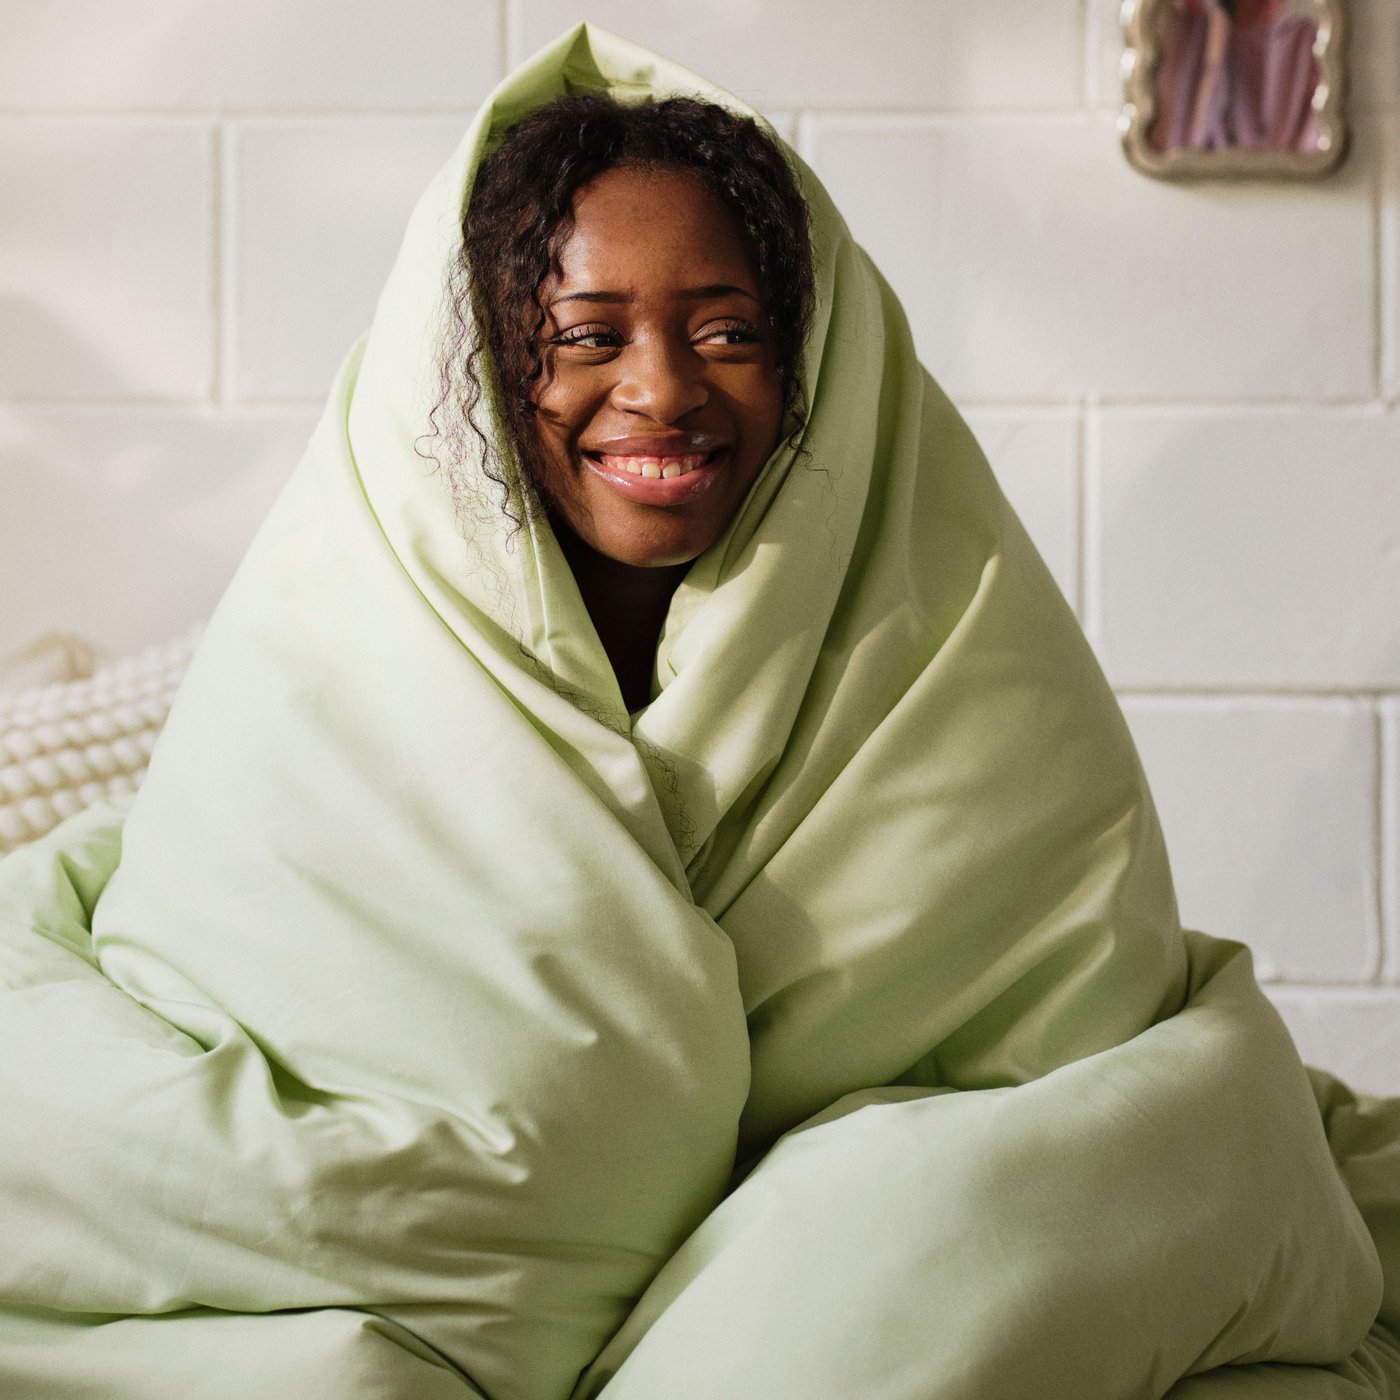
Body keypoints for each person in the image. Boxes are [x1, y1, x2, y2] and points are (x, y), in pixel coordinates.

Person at [0, 23, 1398, 1400]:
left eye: (727, 332)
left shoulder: (950, 631)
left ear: (815, 369)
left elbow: (1061, 1064)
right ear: (482, 367)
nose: (662, 392)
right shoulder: (344, 621)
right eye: (583, 335)